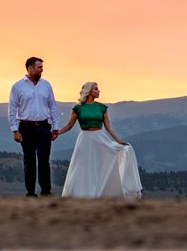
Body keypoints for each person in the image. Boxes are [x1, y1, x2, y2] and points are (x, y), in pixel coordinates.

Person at [55, 81, 143, 199]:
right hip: (85, 139)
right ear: (89, 91)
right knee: (83, 166)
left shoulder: (102, 108)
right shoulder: (78, 108)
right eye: (96, 89)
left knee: (103, 163)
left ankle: (101, 192)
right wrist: (56, 133)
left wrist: (118, 140)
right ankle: (81, 194)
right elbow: (68, 126)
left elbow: (109, 127)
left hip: (100, 138)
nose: (99, 91)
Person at [8, 56, 61, 197]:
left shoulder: (46, 85)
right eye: (39, 67)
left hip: (44, 127)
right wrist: (15, 130)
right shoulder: (17, 86)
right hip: (26, 128)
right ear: (30, 68)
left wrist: (55, 127)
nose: (41, 70)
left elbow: (53, 106)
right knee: (29, 161)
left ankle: (46, 191)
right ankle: (30, 193)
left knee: (44, 160)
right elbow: (12, 109)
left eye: (42, 67)